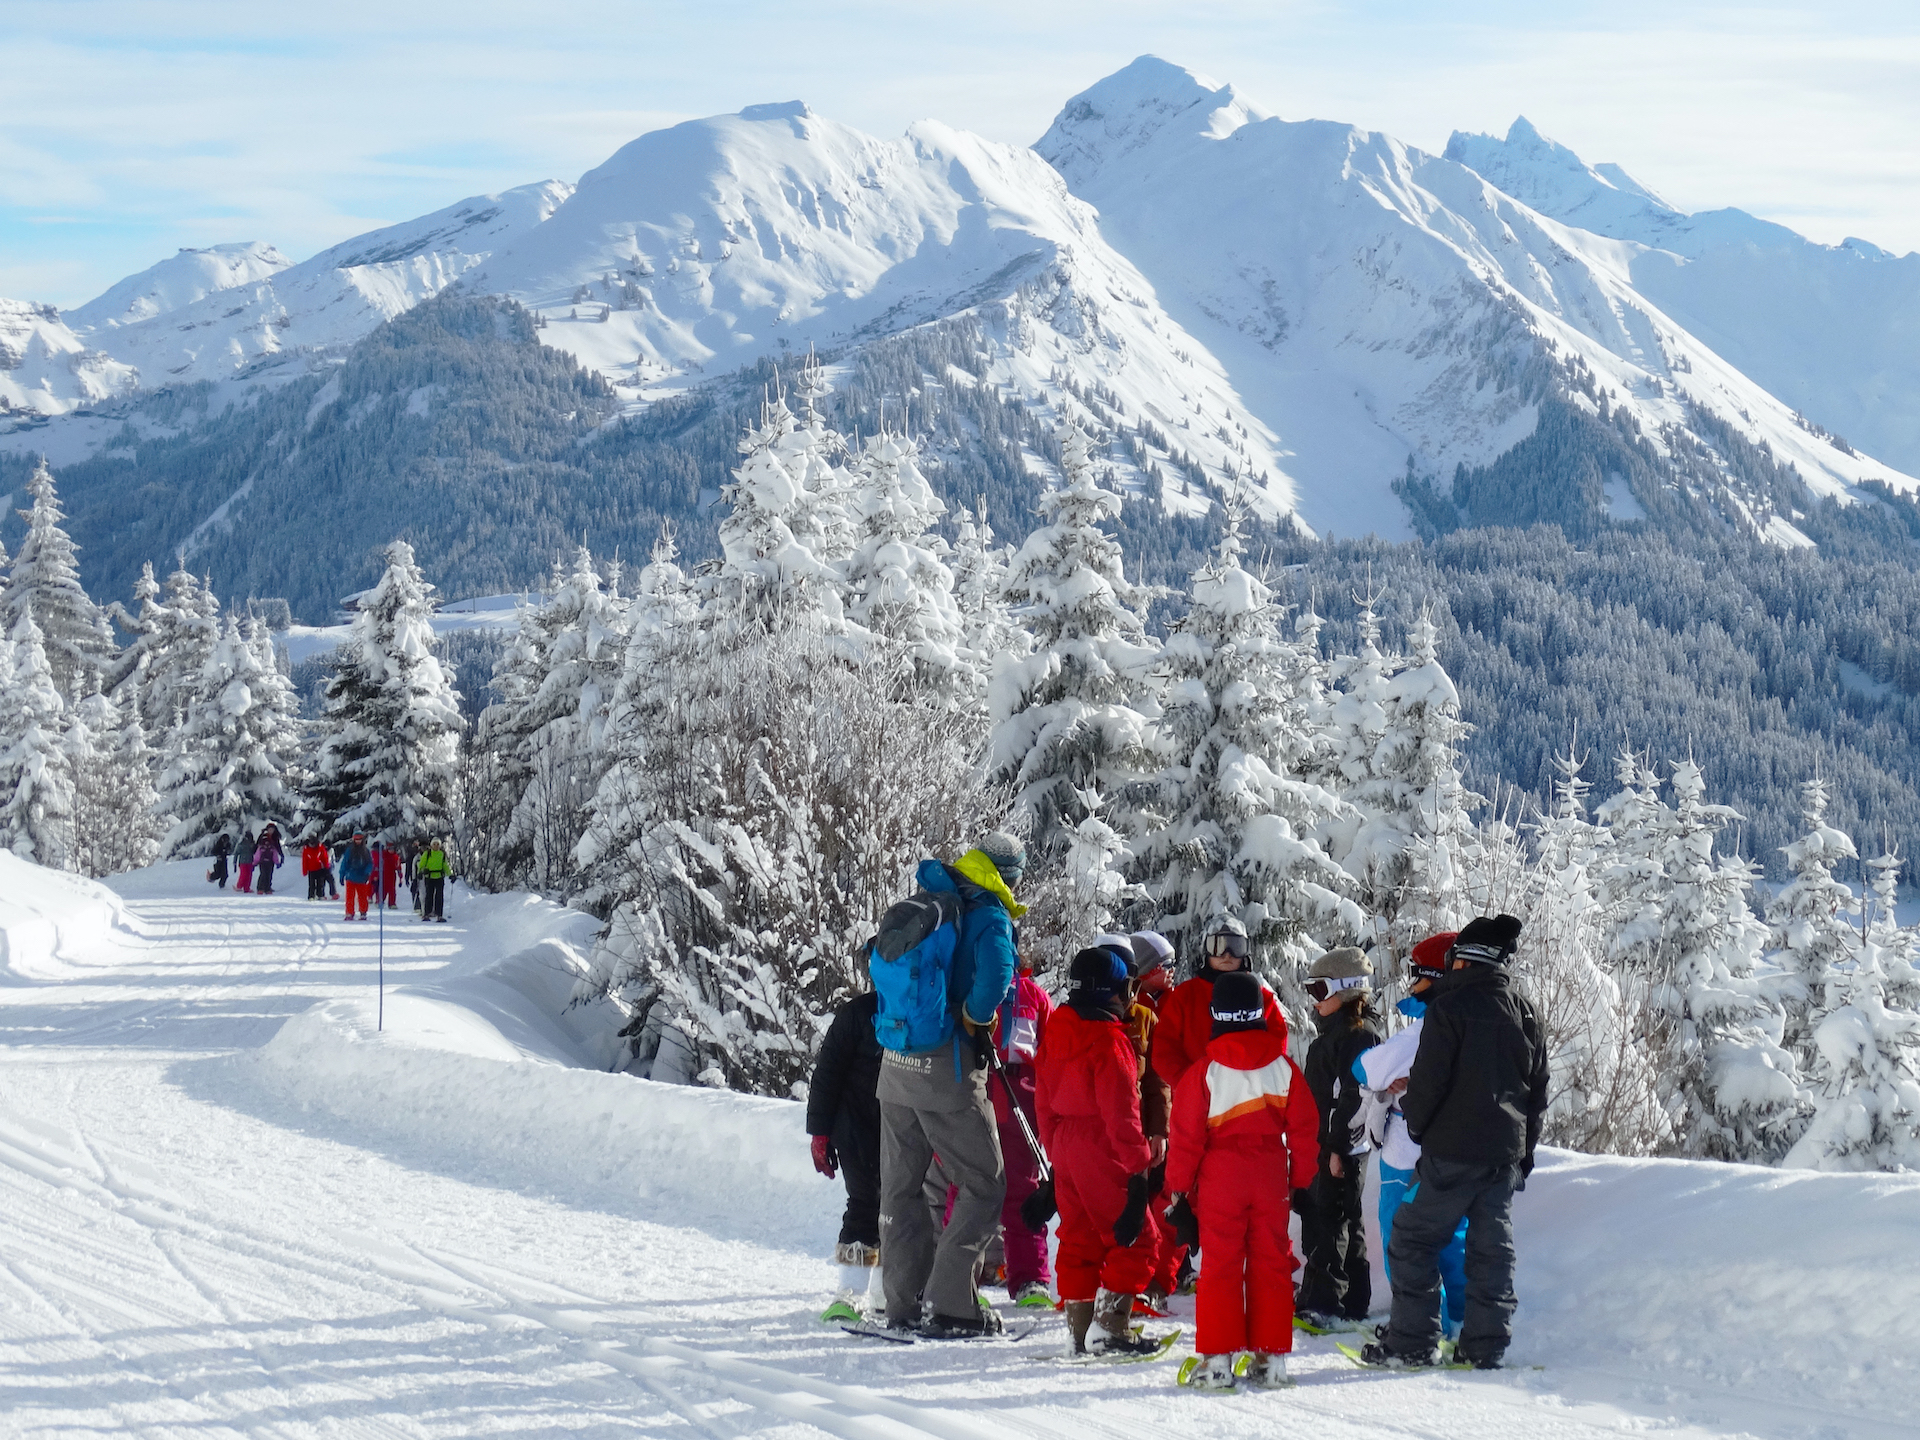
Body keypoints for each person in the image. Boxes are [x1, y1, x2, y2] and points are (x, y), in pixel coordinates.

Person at [1361, 915, 1550, 1372]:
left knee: (1411, 1239)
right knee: (1490, 1249)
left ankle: (1412, 1341)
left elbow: (1428, 1084)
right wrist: (1523, 1154)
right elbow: (1537, 1093)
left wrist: (1422, 1131)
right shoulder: (1525, 1011)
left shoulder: (1449, 1009)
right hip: (1503, 1156)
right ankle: (1484, 1347)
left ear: (1461, 960)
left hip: (1451, 1153)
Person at [875, 831, 1023, 1339]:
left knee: (901, 1188)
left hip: (895, 1065)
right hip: (947, 1071)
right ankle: (953, 1303)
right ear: (1006, 873)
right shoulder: (988, 913)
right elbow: (999, 973)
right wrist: (974, 1017)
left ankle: (901, 1302)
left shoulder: (936, 898)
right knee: (985, 1182)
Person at [1166, 970, 1319, 1391]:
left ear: (1216, 1015)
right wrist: (1301, 1180)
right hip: (1270, 1173)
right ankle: (1272, 1360)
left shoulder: (1206, 1071)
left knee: (1220, 1266)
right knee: (1272, 1261)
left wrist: (1178, 1189)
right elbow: (1306, 1128)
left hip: (1221, 1177)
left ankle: (1217, 1362)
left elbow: (1185, 1137)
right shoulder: (1284, 1068)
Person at [1034, 945, 1164, 1358]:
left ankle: (1080, 1329)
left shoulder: (1057, 1031)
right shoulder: (1110, 1043)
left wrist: (1056, 1159)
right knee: (1140, 1238)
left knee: (1080, 1238)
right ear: (1112, 992)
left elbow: (1043, 1101)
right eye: (1128, 988)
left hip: (1067, 1148)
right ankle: (1110, 1326)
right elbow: (1122, 1116)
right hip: (1104, 1147)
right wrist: (1138, 1174)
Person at [1355, 932, 1469, 1339]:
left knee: (1403, 1237)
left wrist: (1391, 1082)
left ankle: (1418, 1321)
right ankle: (1460, 1319)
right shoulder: (1473, 1024)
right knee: (1454, 1237)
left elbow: (1366, 1069)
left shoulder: (1422, 1031)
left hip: (1407, 1147)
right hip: (1458, 1149)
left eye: (1416, 973)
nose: (1411, 983)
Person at [1295, 946, 1382, 1329]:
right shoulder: (1333, 1036)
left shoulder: (1358, 1038)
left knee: (1331, 1219)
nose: (1313, 1002)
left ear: (1346, 991)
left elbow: (1354, 1097)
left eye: (1319, 991)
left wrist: (1337, 1148)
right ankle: (1352, 1300)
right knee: (1336, 1215)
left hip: (1343, 1143)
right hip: (1326, 1141)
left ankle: (1326, 1303)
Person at [807, 988, 885, 1323]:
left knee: (906, 1209)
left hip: (903, 1128)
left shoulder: (924, 1009)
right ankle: (852, 1291)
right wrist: (820, 1133)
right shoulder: (856, 1014)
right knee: (866, 1204)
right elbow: (827, 1075)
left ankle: (889, 1291)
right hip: (855, 1128)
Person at [1149, 915, 1288, 1095]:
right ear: (1206, 952)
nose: (1227, 954)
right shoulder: (1185, 996)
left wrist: (1257, 1081)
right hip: (1197, 1098)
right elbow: (1164, 1049)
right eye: (1218, 947)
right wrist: (1193, 1083)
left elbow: (1277, 1044)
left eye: (1235, 947)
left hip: (1250, 1097)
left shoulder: (1259, 997)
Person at [987, 952, 1055, 1306]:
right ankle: (957, 1273)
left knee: (1024, 1191)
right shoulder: (972, 990)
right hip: (980, 1095)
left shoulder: (1033, 995)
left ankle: (1030, 1277)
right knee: (968, 1187)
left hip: (1022, 1099)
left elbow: (1053, 1051)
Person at [1122, 930, 1180, 1311]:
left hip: (1170, 1125)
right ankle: (1128, 1280)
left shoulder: (1176, 1005)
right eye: (1165, 965)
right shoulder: (1128, 1010)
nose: (1173, 972)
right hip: (1131, 1126)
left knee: (1169, 1206)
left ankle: (1160, 1279)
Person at [339, 834, 375, 920]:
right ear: (353, 840)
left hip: (361, 877)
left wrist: (367, 872)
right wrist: (342, 874)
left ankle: (363, 912)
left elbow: (370, 863)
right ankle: (349, 913)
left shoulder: (365, 851)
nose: (358, 841)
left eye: (359, 839)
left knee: (362, 896)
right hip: (350, 876)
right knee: (349, 897)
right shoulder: (350, 850)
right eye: (356, 839)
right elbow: (344, 863)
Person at [418, 838, 450, 922]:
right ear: (431, 845)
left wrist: (450, 874)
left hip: (439, 877)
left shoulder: (442, 854)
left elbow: (445, 865)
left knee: (439, 896)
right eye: (434, 844)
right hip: (429, 877)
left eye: (437, 844)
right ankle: (426, 914)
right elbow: (422, 864)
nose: (436, 846)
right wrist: (421, 871)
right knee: (429, 896)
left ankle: (439, 915)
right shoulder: (427, 854)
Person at [254, 824, 283, 895]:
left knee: (269, 874)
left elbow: (277, 848)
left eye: (272, 830)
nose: (271, 831)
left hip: (270, 860)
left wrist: (280, 857)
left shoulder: (275, 838)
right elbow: (257, 848)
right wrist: (255, 861)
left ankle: (267, 887)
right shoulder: (262, 837)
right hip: (262, 859)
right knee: (263, 874)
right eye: (270, 829)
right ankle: (260, 887)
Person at [374, 842, 402, 910]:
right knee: (382, 889)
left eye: (392, 849)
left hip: (392, 875)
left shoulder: (395, 857)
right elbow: (377, 863)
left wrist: (400, 876)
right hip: (383, 874)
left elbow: (398, 867)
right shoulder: (383, 855)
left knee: (392, 890)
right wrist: (376, 874)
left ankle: (392, 903)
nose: (391, 850)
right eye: (390, 849)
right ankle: (380, 901)